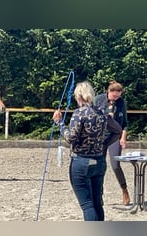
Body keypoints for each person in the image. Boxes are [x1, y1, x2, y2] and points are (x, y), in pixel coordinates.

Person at [53, 81, 122, 221]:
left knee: (87, 205)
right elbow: (118, 130)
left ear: (78, 96)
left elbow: (71, 138)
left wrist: (60, 124)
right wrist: (104, 145)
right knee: (97, 203)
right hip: (99, 161)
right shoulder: (102, 113)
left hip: (81, 161)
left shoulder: (79, 113)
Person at [94, 80, 130, 205]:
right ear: (108, 92)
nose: (116, 98)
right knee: (99, 166)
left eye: (118, 96)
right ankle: (99, 194)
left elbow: (124, 123)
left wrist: (123, 137)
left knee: (115, 165)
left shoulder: (121, 103)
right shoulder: (98, 100)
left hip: (115, 137)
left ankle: (124, 189)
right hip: (100, 137)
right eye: (114, 96)